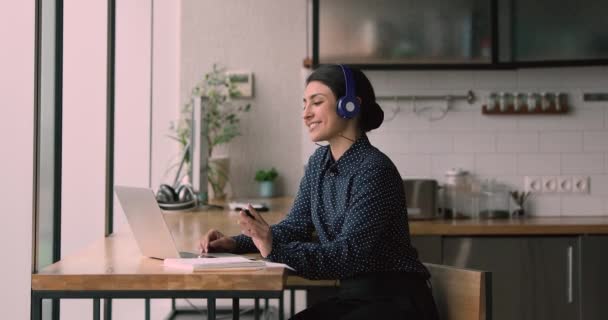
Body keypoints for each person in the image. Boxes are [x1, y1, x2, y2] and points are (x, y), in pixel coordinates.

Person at [200, 64, 439, 320]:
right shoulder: (318, 164)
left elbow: (348, 256)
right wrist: (238, 242)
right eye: (304, 104)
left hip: (395, 304)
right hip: (354, 299)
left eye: (316, 102)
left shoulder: (374, 170)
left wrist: (272, 248)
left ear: (349, 105)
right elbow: (295, 227)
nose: (306, 114)